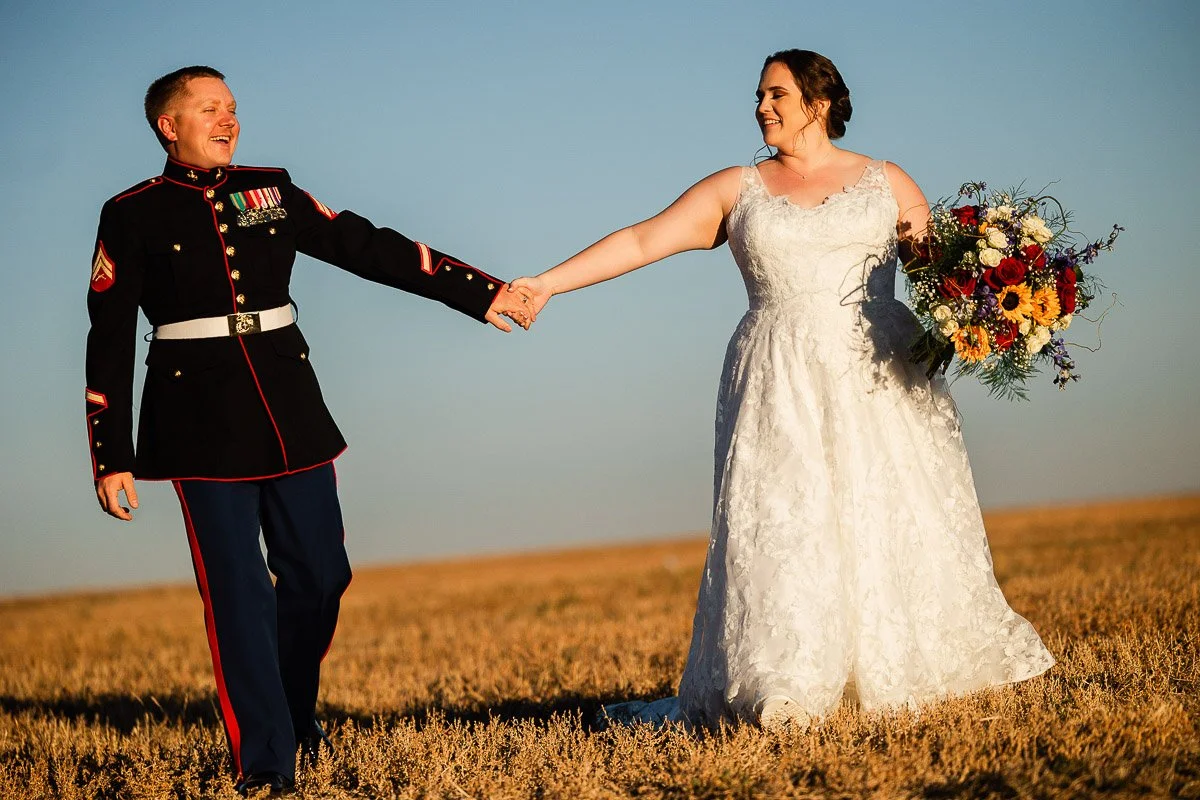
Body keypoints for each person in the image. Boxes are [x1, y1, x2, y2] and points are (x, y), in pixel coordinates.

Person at [510, 50, 1054, 729]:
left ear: (819, 103)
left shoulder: (887, 181)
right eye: (760, 95)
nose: (763, 106)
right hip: (776, 377)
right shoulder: (737, 189)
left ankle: (905, 661)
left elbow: (935, 268)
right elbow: (643, 238)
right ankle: (783, 680)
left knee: (886, 508)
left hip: (878, 371)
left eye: (777, 94)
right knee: (783, 518)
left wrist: (1002, 294)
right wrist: (546, 283)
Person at [85, 66, 532, 795]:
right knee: (238, 594)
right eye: (209, 109)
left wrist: (477, 293)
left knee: (323, 575)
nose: (229, 119)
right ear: (169, 125)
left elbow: (368, 246)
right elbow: (107, 331)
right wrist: (111, 454)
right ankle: (267, 760)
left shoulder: (272, 188)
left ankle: (292, 711)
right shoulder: (131, 212)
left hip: (290, 409)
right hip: (196, 423)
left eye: (232, 108)